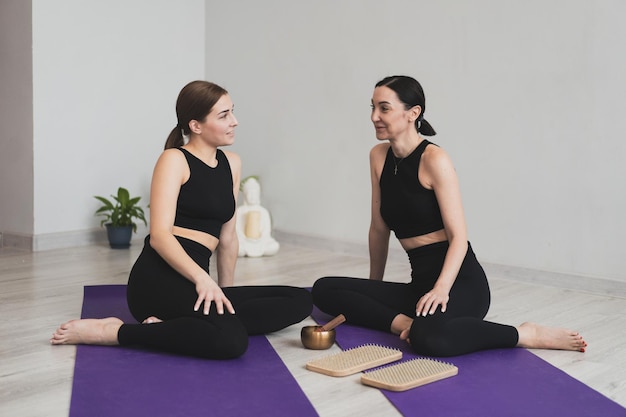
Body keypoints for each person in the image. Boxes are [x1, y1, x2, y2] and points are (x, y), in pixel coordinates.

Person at [312, 75, 587, 357]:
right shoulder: (378, 156)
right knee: (323, 290)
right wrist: (372, 289)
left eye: (384, 108)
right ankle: (404, 324)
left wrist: (442, 288)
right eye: (372, 107)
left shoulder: (435, 159)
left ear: (412, 113)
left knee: (429, 338)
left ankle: (524, 334)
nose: (374, 117)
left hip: (459, 283)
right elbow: (378, 230)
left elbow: (459, 238)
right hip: (419, 286)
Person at [51, 81, 312, 359]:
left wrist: (225, 296)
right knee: (232, 340)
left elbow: (227, 239)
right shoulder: (174, 159)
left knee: (299, 300)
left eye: (232, 112)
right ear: (196, 125)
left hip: (198, 281)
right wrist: (202, 279)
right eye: (223, 115)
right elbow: (160, 235)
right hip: (159, 280)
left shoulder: (231, 163)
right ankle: (112, 332)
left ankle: (176, 328)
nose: (234, 122)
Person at [236, 176, 280, 257]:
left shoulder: (264, 212)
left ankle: (254, 249)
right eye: (250, 193)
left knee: (274, 246)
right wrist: (244, 238)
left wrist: (258, 239)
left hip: (260, 241)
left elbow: (266, 232)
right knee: (236, 248)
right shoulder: (239, 211)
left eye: (254, 193)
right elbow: (237, 231)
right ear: (245, 195)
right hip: (244, 241)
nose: (252, 196)